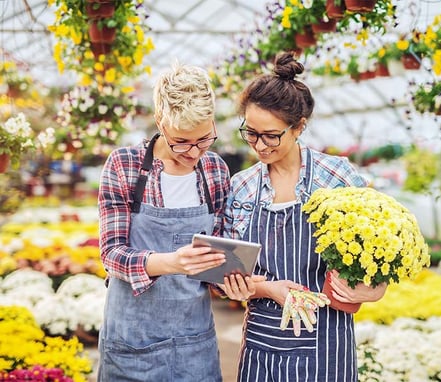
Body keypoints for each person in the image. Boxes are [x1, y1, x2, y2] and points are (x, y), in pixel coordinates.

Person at [223, 52, 388, 381]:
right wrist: (266, 289)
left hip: (327, 342)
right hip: (261, 343)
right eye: (251, 133)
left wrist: (376, 289)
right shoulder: (241, 187)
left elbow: (379, 253)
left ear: (298, 127)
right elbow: (229, 278)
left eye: (271, 135)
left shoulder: (336, 177)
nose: (260, 145)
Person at [97, 62, 256, 381]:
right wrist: (171, 262)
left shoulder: (214, 170)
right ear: (160, 121)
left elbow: (217, 259)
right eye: (181, 141)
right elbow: (112, 255)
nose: (194, 152)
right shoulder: (124, 166)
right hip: (132, 343)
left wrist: (230, 282)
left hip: (193, 343)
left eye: (204, 139)